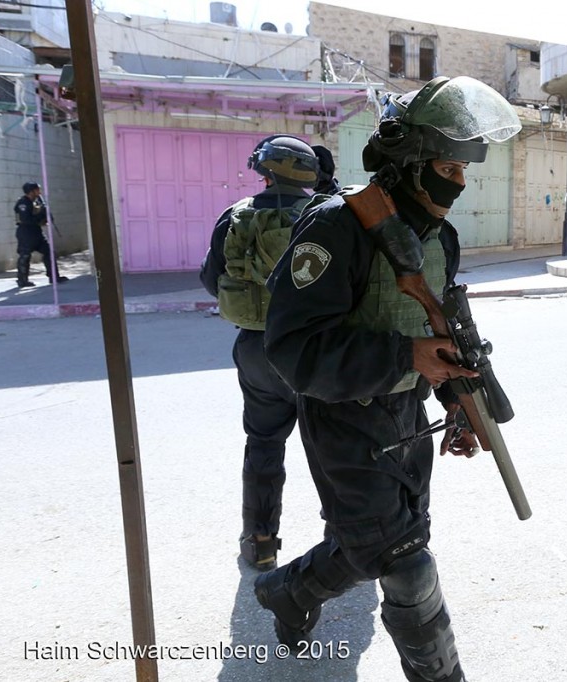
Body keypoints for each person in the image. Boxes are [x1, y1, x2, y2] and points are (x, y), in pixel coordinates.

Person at [254, 76, 521, 682]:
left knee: (384, 540)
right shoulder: (335, 228)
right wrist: (406, 357)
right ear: (406, 163)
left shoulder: (438, 238)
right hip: (344, 418)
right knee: (407, 564)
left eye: (462, 170)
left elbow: (446, 331)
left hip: (407, 416)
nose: (456, 183)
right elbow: (293, 350)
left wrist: (460, 398)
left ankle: (290, 591)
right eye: (446, 168)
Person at [199, 135, 319, 571]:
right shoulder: (324, 216)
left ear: (265, 172)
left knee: (264, 443)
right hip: (315, 350)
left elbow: (212, 280)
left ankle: (261, 542)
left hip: (256, 346)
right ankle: (344, 538)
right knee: (329, 445)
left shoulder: (236, 217)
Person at [14, 182, 67, 288]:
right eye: (37, 190)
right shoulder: (23, 203)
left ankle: (54, 276)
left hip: (36, 232)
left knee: (49, 252)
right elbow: (26, 220)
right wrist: (40, 216)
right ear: (31, 191)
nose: (39, 192)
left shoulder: (37, 201)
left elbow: (41, 215)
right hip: (26, 233)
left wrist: (47, 215)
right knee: (25, 256)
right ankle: (22, 280)